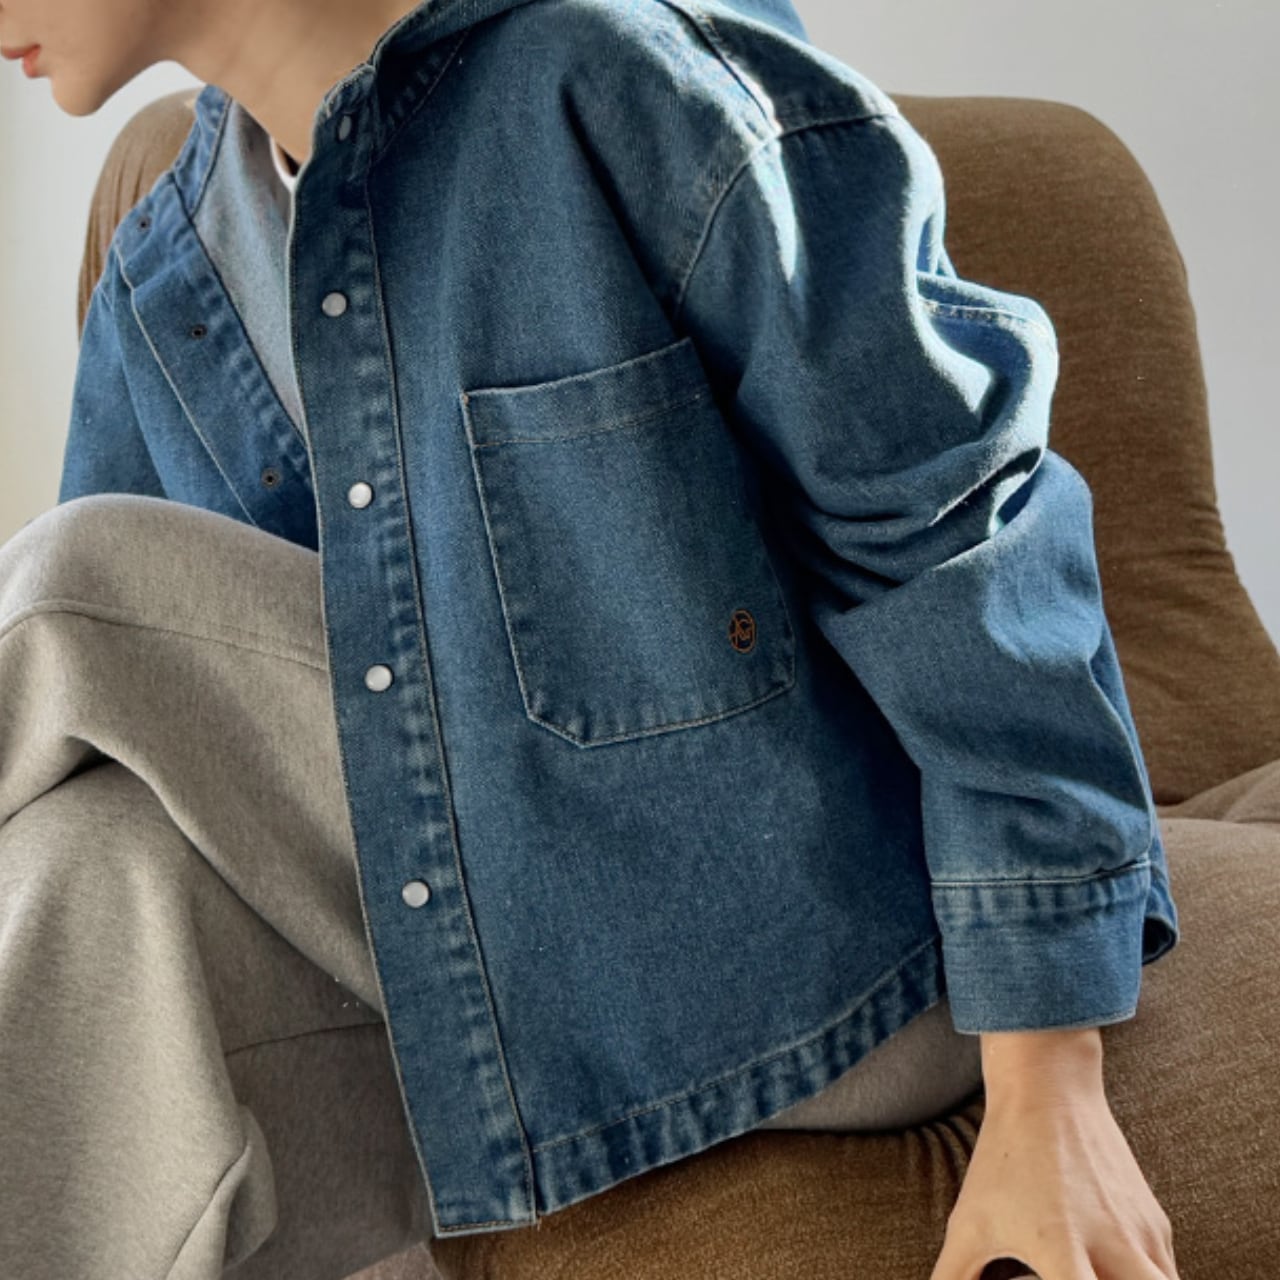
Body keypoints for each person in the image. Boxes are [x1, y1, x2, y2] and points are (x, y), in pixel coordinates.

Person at [0, 0, 1189, 1277]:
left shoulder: (620, 75)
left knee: (76, 588)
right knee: (90, 851)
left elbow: (962, 538)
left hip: (834, 958)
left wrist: (1048, 1082)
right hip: (483, 1000)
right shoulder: (164, 282)